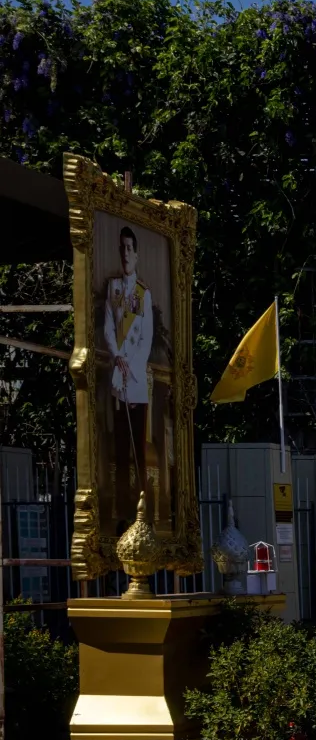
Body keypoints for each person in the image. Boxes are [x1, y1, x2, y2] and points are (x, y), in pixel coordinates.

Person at [102, 224, 153, 528]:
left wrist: (129, 365)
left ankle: (142, 509)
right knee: (120, 451)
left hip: (134, 381)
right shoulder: (113, 289)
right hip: (117, 376)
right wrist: (116, 355)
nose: (125, 253)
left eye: (130, 248)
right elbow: (109, 326)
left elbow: (145, 339)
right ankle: (122, 509)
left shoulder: (142, 294)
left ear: (137, 254)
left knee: (139, 454)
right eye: (122, 248)